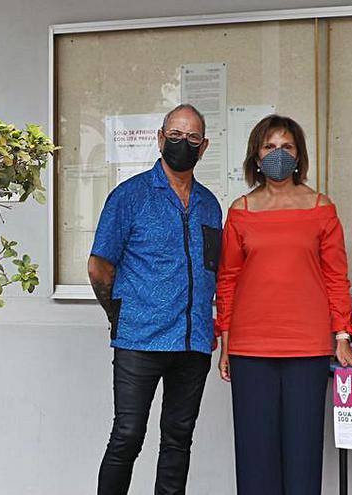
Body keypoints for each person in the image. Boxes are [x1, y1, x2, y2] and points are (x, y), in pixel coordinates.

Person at [215, 114, 352, 495]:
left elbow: (336, 277)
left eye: (286, 147)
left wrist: (342, 335)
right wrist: (225, 339)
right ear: (256, 154)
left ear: (299, 155)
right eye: (270, 147)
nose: (278, 154)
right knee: (255, 460)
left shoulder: (321, 207)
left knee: (303, 457)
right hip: (250, 348)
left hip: (308, 347)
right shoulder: (240, 211)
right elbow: (228, 279)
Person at [89, 104, 223, 495]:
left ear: (204, 146)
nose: (184, 143)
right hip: (139, 340)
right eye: (176, 135)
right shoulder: (129, 197)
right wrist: (120, 312)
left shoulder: (210, 205)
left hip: (193, 342)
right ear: (161, 138)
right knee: (127, 437)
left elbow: (211, 269)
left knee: (178, 441)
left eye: (193, 138)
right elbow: (100, 267)